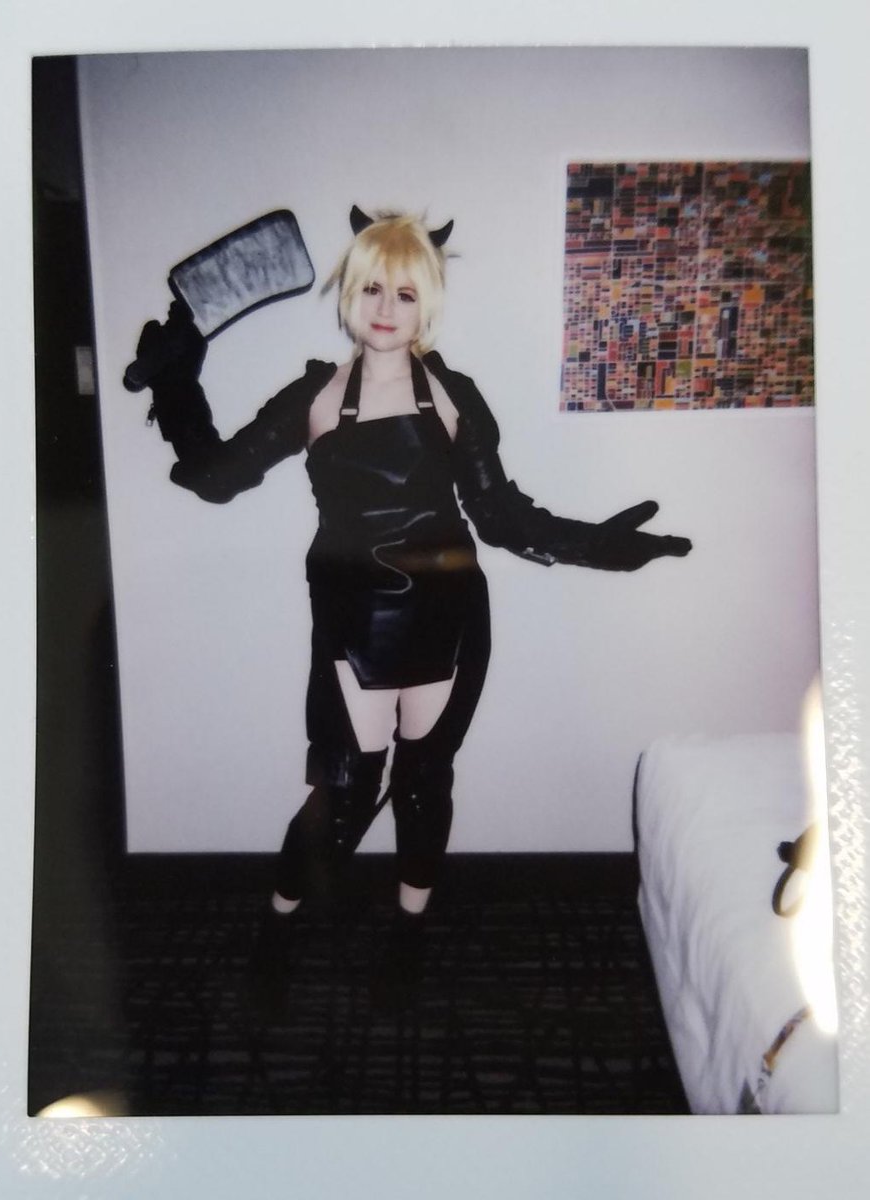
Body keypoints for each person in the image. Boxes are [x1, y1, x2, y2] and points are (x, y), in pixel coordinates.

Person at [135, 207, 691, 996]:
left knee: (427, 783)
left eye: (404, 292)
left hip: (449, 615)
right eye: (371, 288)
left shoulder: (454, 395)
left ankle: (409, 933)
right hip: (355, 621)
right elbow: (216, 477)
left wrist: (603, 546)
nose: (386, 307)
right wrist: (176, 381)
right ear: (348, 295)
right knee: (343, 796)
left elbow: (502, 518)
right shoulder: (315, 396)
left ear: (426, 302)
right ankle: (279, 921)